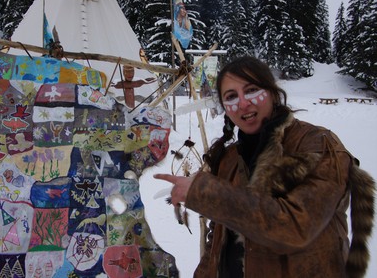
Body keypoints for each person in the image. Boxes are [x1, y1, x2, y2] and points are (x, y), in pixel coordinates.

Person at [154, 56, 375, 278]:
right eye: (231, 97)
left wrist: (204, 192)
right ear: (225, 109)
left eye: (251, 90)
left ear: (272, 93)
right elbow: (220, 239)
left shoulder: (317, 145)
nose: (242, 103)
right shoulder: (229, 159)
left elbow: (295, 228)